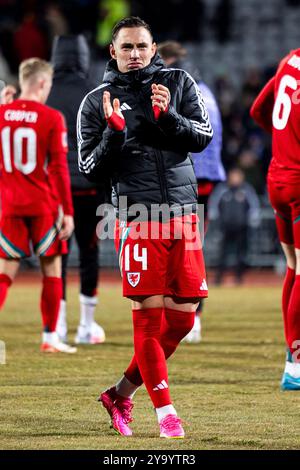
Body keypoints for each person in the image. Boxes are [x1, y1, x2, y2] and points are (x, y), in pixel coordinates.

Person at [77, 17, 213, 438]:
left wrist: (169, 116)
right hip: (136, 216)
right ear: (112, 52)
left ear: (153, 49)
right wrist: (114, 134)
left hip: (185, 213)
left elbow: (202, 136)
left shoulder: (179, 82)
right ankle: (166, 413)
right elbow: (89, 168)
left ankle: (119, 394)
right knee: (149, 321)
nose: (134, 54)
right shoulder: (96, 101)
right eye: (126, 47)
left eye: (141, 46)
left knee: (185, 320)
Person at [0, 58, 76, 354]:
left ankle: (51, 336)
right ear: (43, 83)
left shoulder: (2, 115)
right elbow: (58, 168)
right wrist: (67, 211)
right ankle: (50, 337)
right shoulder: (52, 117)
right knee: (52, 271)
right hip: (43, 205)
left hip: (9, 205)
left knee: (5, 273)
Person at [158, 40, 225, 343]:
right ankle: (191, 317)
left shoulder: (175, 89)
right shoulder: (205, 91)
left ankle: (187, 316)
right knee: (190, 246)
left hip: (185, 178)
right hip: (205, 178)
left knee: (178, 247)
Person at [47, 35, 107, 345]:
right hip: (91, 187)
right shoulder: (95, 92)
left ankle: (57, 325)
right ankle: (86, 325)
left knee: (57, 257)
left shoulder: (45, 93)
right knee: (90, 254)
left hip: (56, 191)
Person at [251, 48, 300, 390]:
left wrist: (285, 142)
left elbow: (257, 110)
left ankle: (292, 361)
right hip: (299, 183)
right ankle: (295, 368)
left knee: (293, 267)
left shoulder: (290, 59)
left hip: (277, 178)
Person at [208, 167, 260, 285]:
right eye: (233, 176)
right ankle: (218, 278)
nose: (235, 179)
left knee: (240, 253)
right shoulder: (222, 189)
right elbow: (214, 205)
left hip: (242, 227)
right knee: (222, 253)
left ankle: (238, 277)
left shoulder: (247, 190)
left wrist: (252, 220)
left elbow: (254, 206)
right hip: (225, 227)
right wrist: (215, 221)